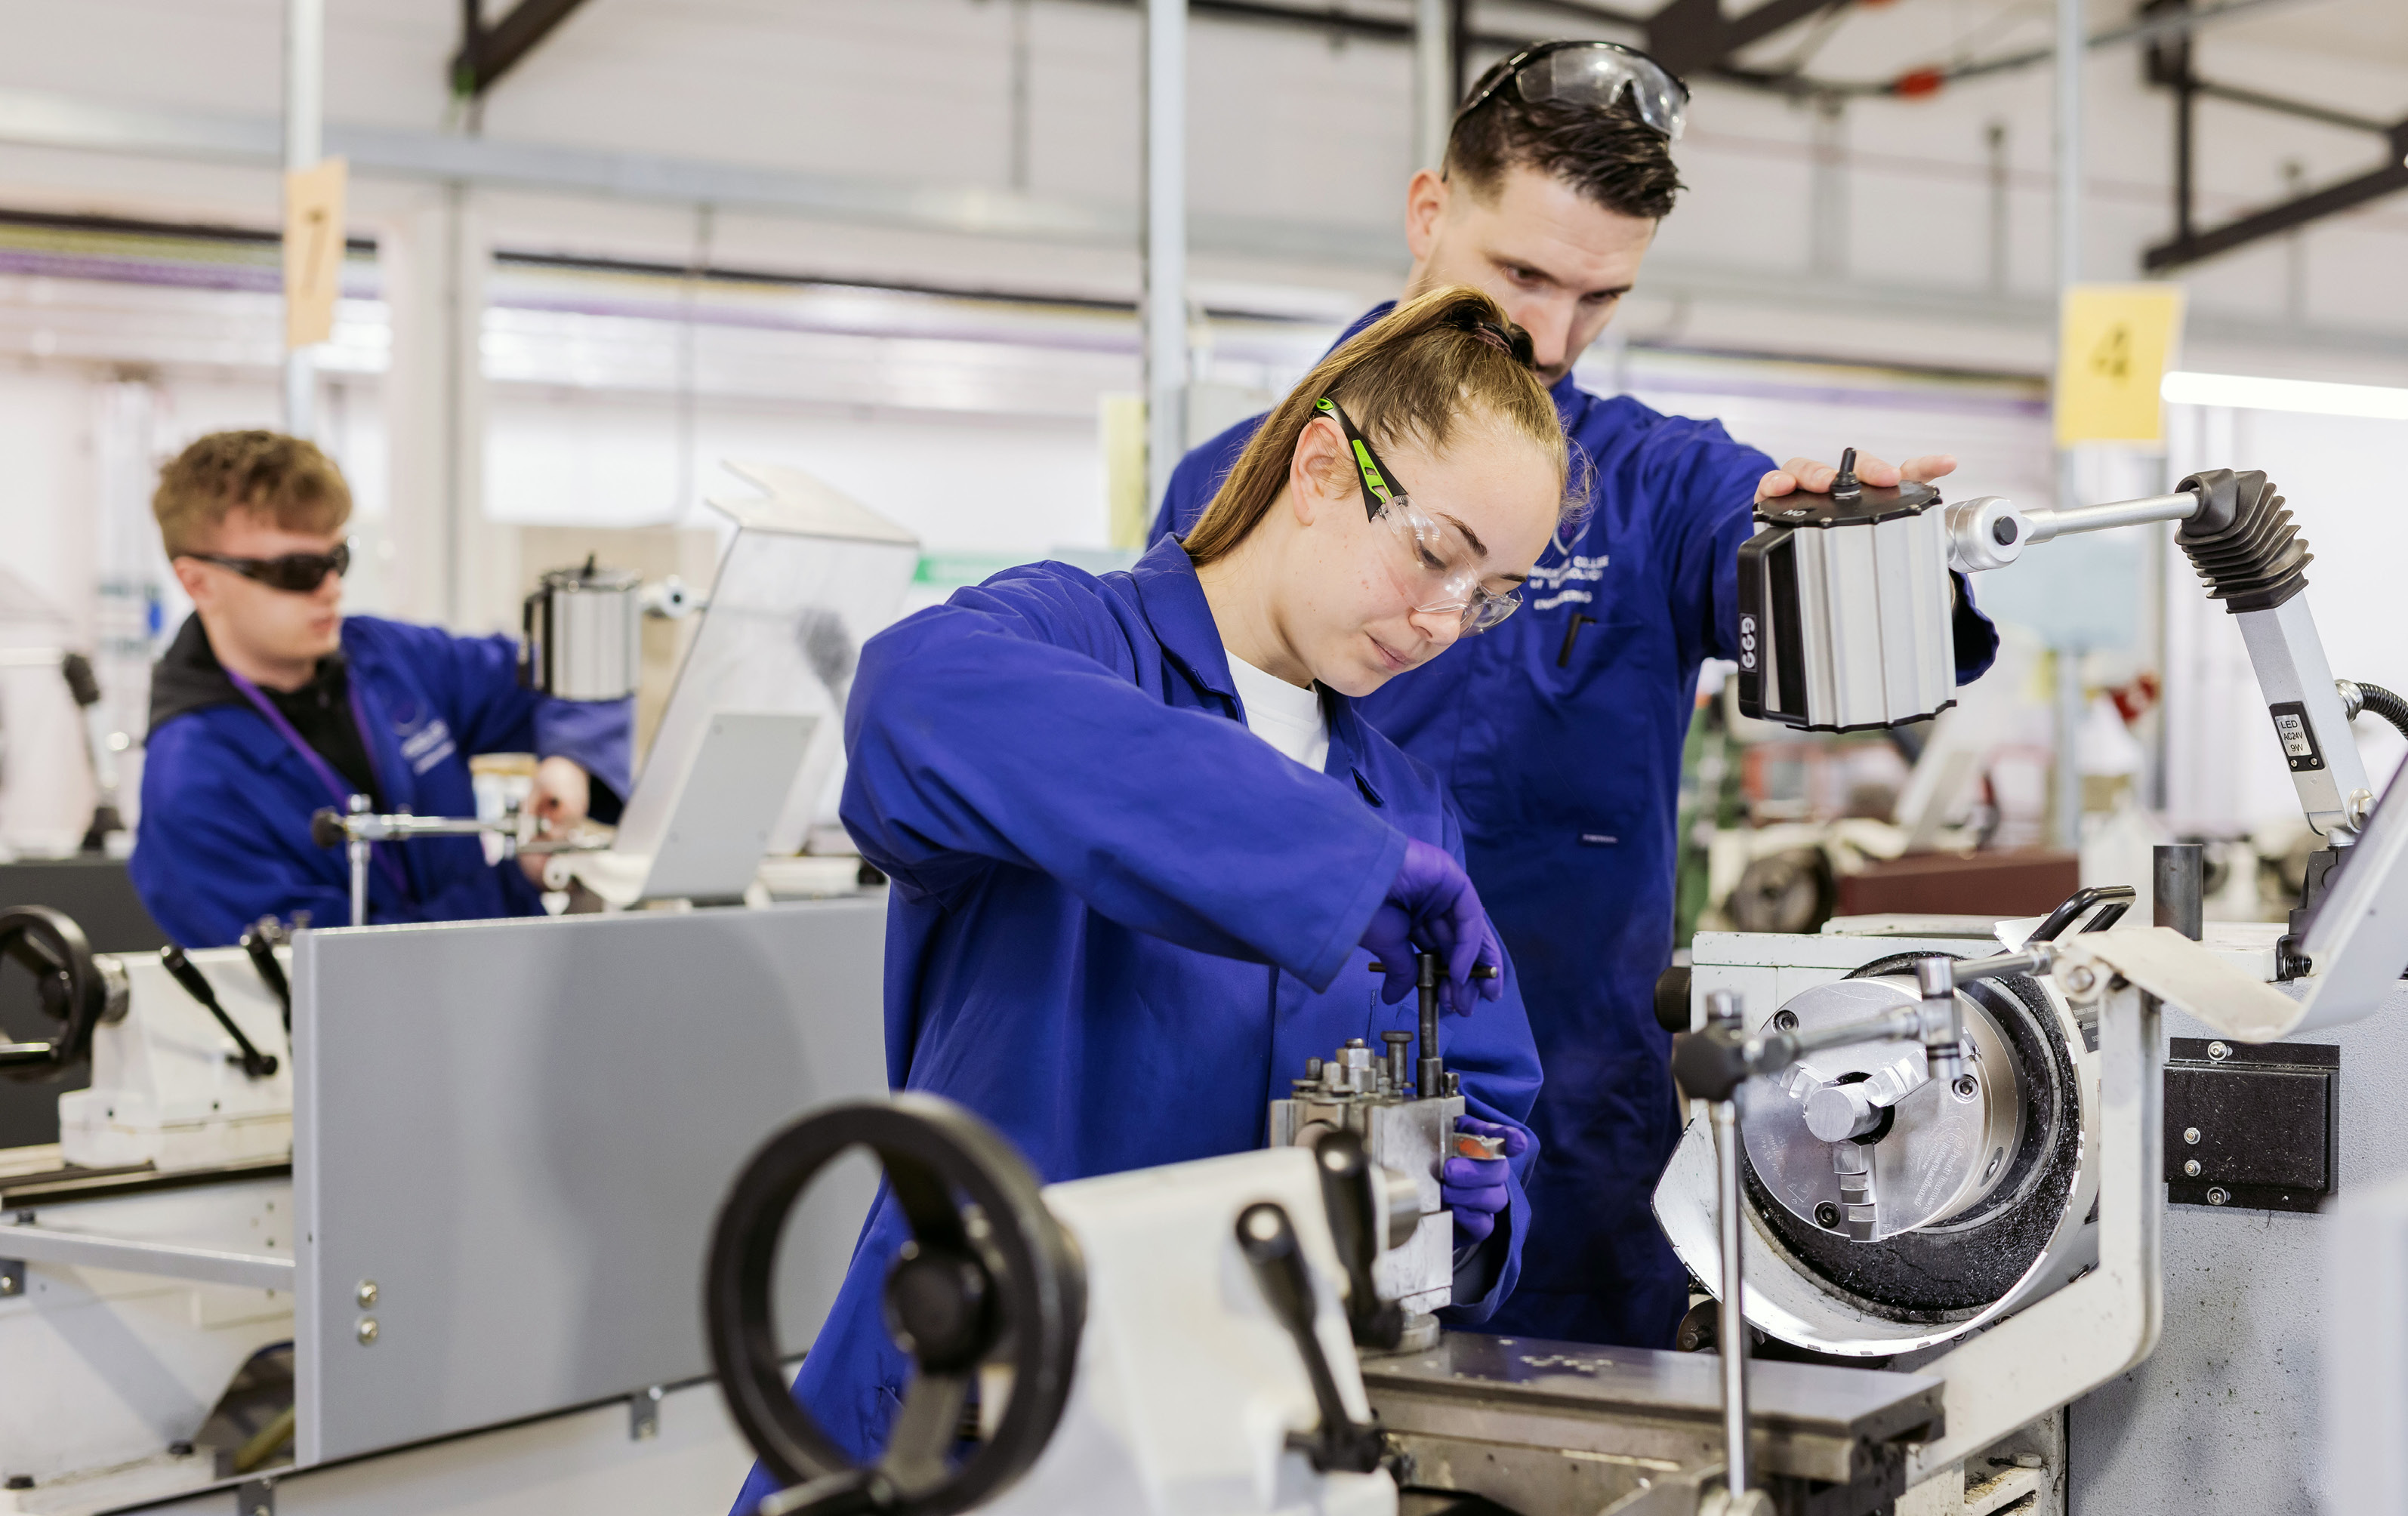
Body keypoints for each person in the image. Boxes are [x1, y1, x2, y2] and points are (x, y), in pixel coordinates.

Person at [1153, 42, 2001, 1351]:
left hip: (1570, 1129)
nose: (1548, 337)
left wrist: (1856, 557)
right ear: (1428, 211)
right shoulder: (1243, 480)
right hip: (1286, 1112)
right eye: (1521, 275)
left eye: (1599, 295)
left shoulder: (1656, 484)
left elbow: (1788, 577)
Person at [730, 288, 1567, 1508]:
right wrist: (1329, 862)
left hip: (1229, 1432)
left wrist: (1472, 1211)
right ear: (1322, 467)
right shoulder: (1073, 639)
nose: (1445, 619)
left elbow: (1486, 1093)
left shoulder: (1406, 800)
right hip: (965, 1412)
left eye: (1489, 594)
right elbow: (907, 703)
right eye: (1436, 553)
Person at [130, 430, 632, 947]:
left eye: (337, 558)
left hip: (496, 980)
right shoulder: (193, 787)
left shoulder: (387, 656)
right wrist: (514, 881)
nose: (331, 588)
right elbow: (329, 979)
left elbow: (570, 676)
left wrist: (570, 762)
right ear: (198, 583)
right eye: (296, 571)